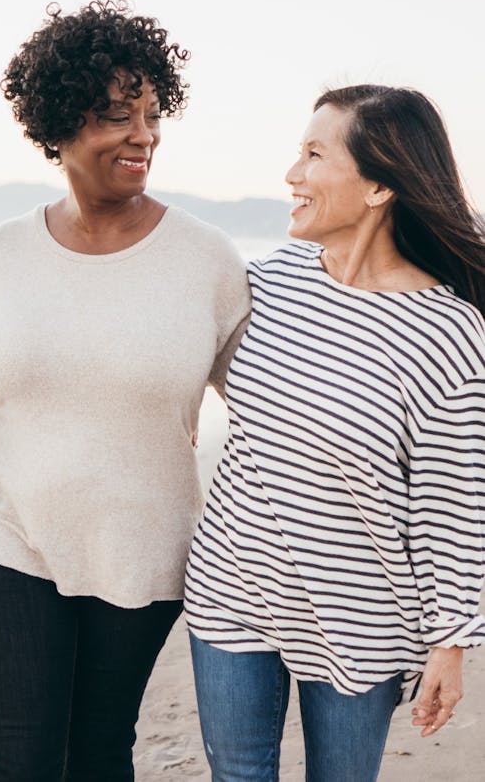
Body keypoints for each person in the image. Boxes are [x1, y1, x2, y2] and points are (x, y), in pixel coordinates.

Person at [0, 0, 251, 781]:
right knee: (18, 758)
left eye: (152, 114)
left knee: (97, 751)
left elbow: (267, 409)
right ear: (57, 124)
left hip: (145, 547)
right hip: (9, 531)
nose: (143, 135)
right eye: (119, 114)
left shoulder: (207, 258)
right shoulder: (6, 251)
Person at [185, 84, 485, 782]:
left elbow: (452, 504)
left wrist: (452, 643)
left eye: (315, 155)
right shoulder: (268, 281)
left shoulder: (448, 333)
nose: (293, 174)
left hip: (364, 616)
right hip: (235, 587)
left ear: (380, 185)